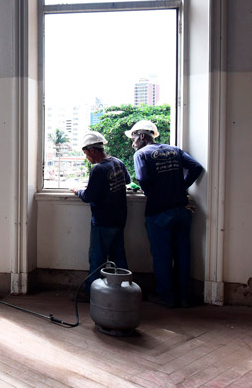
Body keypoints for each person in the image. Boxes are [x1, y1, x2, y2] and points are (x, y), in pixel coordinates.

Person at [128, 119, 204, 308]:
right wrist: (180, 187)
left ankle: (167, 297)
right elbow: (196, 167)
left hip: (159, 212)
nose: (133, 143)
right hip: (181, 209)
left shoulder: (141, 154)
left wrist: (154, 192)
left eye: (134, 138)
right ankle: (184, 297)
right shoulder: (174, 150)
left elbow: (143, 179)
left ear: (143, 136)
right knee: (182, 254)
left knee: (162, 255)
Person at [70, 131, 130, 299]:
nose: (87, 157)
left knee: (97, 259)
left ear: (92, 151)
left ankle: (92, 294)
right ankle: (125, 292)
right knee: (119, 257)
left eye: (86, 153)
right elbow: (126, 180)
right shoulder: (117, 162)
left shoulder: (98, 169)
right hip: (119, 219)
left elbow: (89, 196)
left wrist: (77, 190)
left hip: (103, 221)